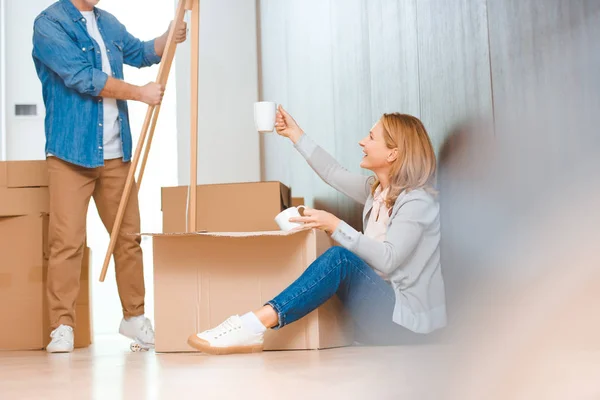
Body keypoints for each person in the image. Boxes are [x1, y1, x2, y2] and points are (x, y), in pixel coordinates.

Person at [187, 106, 447, 355]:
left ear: (393, 154)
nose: (362, 142)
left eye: (370, 137)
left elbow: (389, 260)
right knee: (338, 258)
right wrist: (294, 134)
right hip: (381, 317)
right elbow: (333, 173)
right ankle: (252, 325)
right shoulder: (377, 191)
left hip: (407, 325)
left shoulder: (417, 201)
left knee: (340, 259)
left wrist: (335, 225)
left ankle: (251, 325)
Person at [32, 0, 187, 353]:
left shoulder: (109, 23)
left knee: (127, 238)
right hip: (70, 153)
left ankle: (134, 318)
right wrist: (139, 93)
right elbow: (82, 77)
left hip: (116, 153)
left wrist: (169, 35)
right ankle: (62, 325)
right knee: (67, 242)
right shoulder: (48, 24)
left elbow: (144, 52)